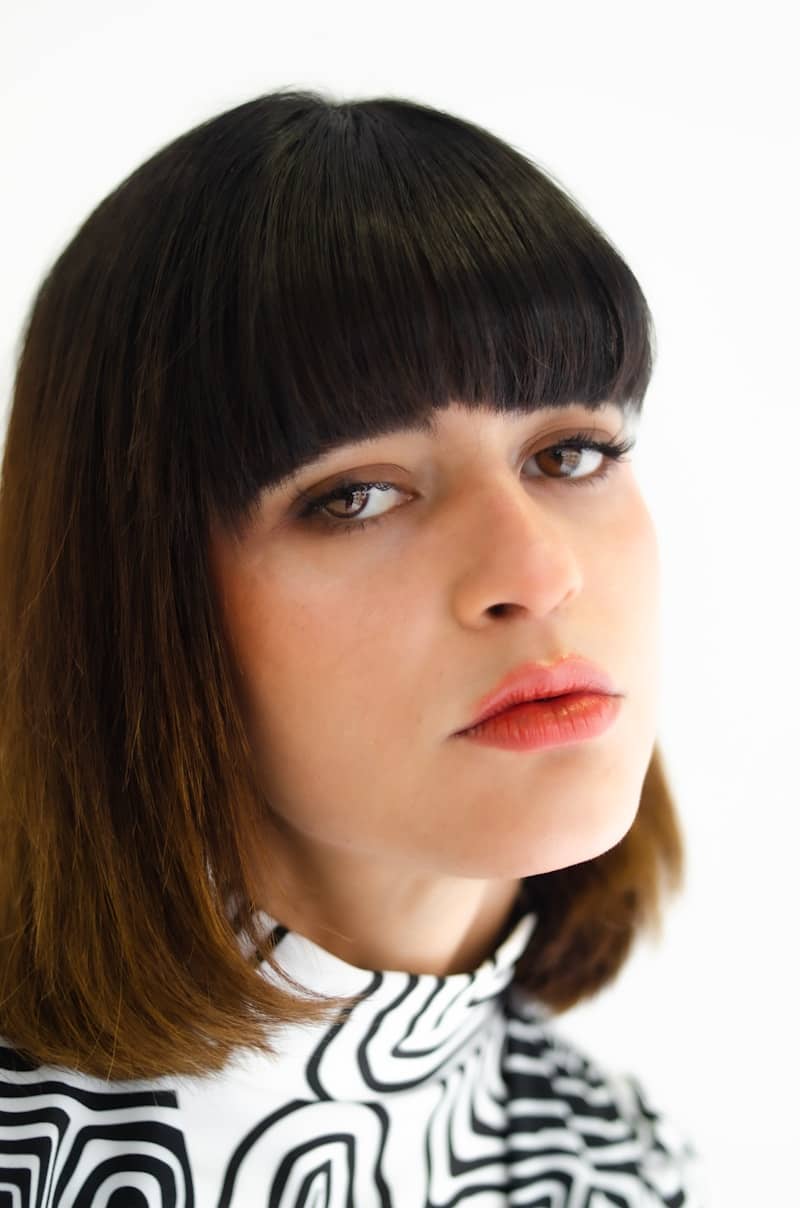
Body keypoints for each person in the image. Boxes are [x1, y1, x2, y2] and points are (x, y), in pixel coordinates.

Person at [0, 87, 706, 1205]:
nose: (533, 573)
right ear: (133, 595)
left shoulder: (617, 1160)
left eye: (569, 453)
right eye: (358, 494)